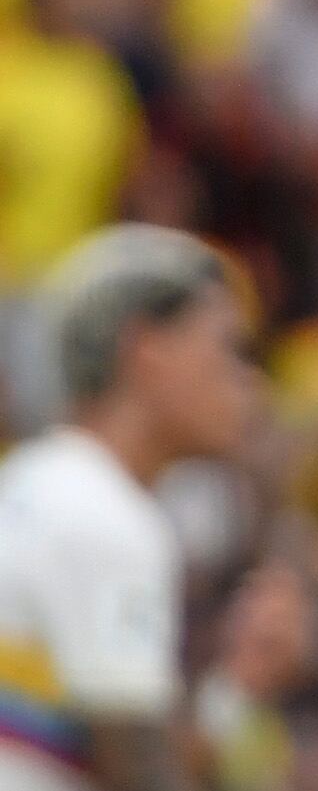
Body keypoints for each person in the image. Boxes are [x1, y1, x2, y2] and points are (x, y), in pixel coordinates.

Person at [0, 226, 278, 791]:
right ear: (147, 349)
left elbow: (109, 754)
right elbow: (142, 776)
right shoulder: (104, 515)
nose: (249, 383)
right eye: (227, 349)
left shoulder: (43, 481)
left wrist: (240, 683)